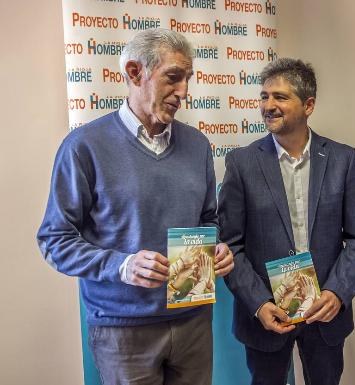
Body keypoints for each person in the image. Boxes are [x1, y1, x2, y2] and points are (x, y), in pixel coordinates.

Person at [37, 28, 233, 385]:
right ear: (133, 72)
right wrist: (121, 265)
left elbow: (208, 219)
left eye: (188, 79)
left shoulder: (198, 146)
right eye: (173, 77)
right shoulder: (83, 147)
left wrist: (217, 247)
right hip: (122, 332)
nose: (184, 92)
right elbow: (55, 240)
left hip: (194, 323)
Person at [218, 58, 355, 385]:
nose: (268, 105)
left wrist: (338, 293)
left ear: (309, 104)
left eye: (280, 97)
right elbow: (231, 246)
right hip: (267, 315)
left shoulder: (343, 160)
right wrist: (258, 303)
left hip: (324, 313)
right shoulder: (242, 163)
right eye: (264, 97)